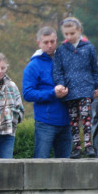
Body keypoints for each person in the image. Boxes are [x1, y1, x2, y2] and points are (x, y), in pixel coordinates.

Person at [52, 17, 98, 158]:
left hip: (86, 86)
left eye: (72, 33)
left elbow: (94, 69)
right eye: (66, 34)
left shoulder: (89, 48)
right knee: (73, 119)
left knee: (86, 116)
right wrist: (60, 83)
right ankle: (76, 147)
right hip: (70, 89)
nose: (69, 37)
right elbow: (58, 70)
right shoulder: (61, 51)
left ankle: (88, 145)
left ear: (79, 31)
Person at [22, 26, 70, 159]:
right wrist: (52, 93)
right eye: (46, 42)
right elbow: (27, 94)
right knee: (40, 163)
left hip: (67, 121)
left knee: (66, 165)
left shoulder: (65, 60)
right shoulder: (33, 66)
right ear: (39, 43)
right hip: (45, 122)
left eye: (52, 41)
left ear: (57, 41)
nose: (50, 45)